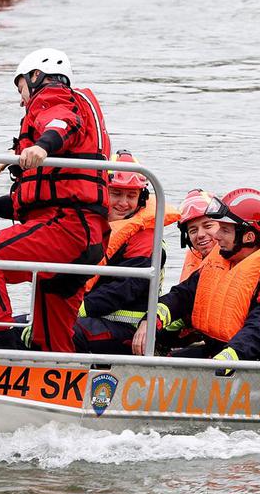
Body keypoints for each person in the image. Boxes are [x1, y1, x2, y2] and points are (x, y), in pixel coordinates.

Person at [0, 48, 111, 353]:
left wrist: (43, 145)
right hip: (82, 237)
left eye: (21, 88)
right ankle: (60, 382)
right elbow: (39, 200)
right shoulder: (62, 111)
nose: (21, 99)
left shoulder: (52, 96)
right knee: (51, 336)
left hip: (67, 229)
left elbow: (61, 123)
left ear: (36, 77)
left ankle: (5, 349)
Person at [132, 189, 260, 364]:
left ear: (248, 237)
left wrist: (225, 359)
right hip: (227, 353)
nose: (216, 236)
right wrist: (151, 320)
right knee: (164, 364)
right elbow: (181, 295)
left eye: (224, 230)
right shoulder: (219, 264)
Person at [72, 151, 179, 355]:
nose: (123, 202)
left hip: (126, 331)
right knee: (15, 327)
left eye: (131, 195)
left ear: (141, 199)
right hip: (93, 319)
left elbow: (125, 287)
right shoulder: (93, 227)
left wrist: (76, 309)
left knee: (63, 332)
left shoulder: (146, 237)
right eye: (116, 193)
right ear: (102, 192)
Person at [177, 188, 221, 281]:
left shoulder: (238, 260)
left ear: (223, 226)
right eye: (193, 231)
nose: (200, 235)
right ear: (187, 239)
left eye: (208, 226)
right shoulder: (193, 259)